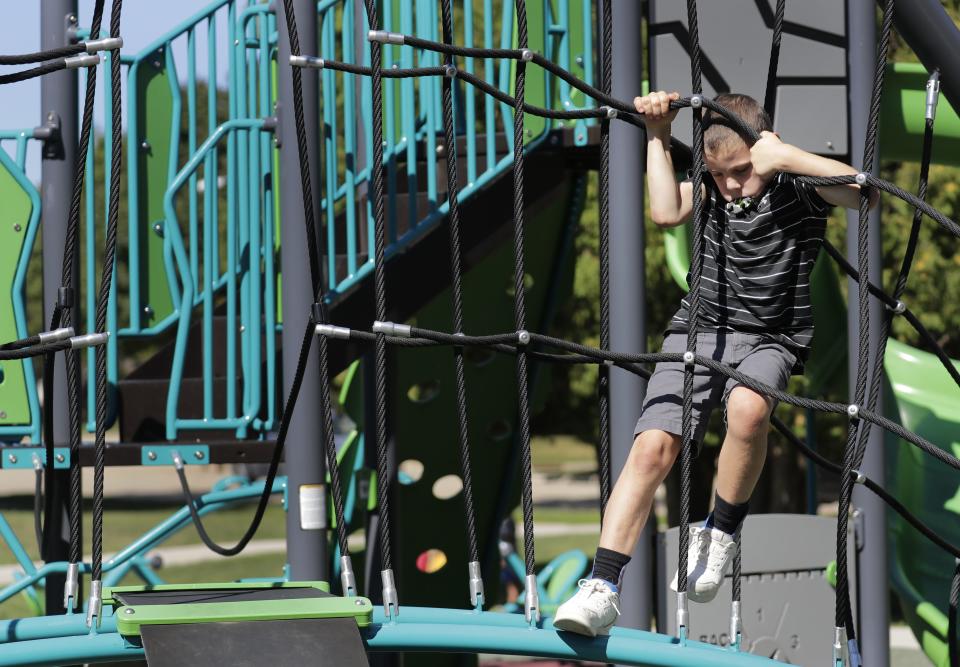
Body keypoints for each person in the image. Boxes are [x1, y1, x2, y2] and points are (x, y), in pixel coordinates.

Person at [552, 91, 877, 637]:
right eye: (718, 173)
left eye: (742, 172)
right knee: (652, 446)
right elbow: (662, 211)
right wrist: (657, 134)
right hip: (699, 330)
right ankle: (603, 585)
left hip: (773, 337)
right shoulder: (708, 188)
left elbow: (866, 195)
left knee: (749, 411)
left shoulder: (798, 187)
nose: (730, 185)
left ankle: (720, 531)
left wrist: (785, 157)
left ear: (764, 153)